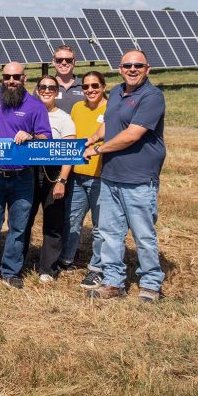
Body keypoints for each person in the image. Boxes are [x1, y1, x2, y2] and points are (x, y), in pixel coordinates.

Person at [82, 50, 166, 302]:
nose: (132, 69)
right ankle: (113, 282)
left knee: (143, 235)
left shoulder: (152, 96)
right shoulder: (118, 92)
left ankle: (150, 284)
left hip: (138, 179)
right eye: (127, 65)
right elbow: (110, 121)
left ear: (147, 69)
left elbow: (132, 134)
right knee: (110, 233)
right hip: (110, 176)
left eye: (137, 65)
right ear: (119, 69)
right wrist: (94, 136)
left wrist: (97, 149)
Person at [0, 62, 51, 288]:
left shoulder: (35, 106)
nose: (11, 81)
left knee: (18, 227)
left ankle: (11, 271)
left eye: (16, 77)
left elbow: (45, 139)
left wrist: (30, 135)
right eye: (7, 77)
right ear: (2, 79)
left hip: (23, 177)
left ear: (24, 79)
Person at [22, 75, 76, 282]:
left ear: (57, 92)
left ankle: (47, 269)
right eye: (42, 87)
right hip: (29, 172)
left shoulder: (63, 118)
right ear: (36, 90)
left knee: (53, 223)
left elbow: (70, 152)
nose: (46, 90)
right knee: (24, 219)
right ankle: (19, 262)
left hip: (54, 175)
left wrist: (62, 180)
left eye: (51, 87)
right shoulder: (28, 113)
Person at [65, 71, 108, 287]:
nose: (90, 90)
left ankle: (96, 268)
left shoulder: (111, 108)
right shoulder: (77, 108)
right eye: (86, 86)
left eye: (95, 86)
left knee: (100, 226)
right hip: (76, 174)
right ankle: (67, 258)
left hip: (101, 176)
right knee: (72, 219)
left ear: (103, 87)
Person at [52, 45, 84, 113]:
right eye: (59, 60)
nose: (64, 63)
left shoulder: (86, 86)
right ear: (54, 62)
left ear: (74, 62)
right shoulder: (44, 87)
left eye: (68, 60)